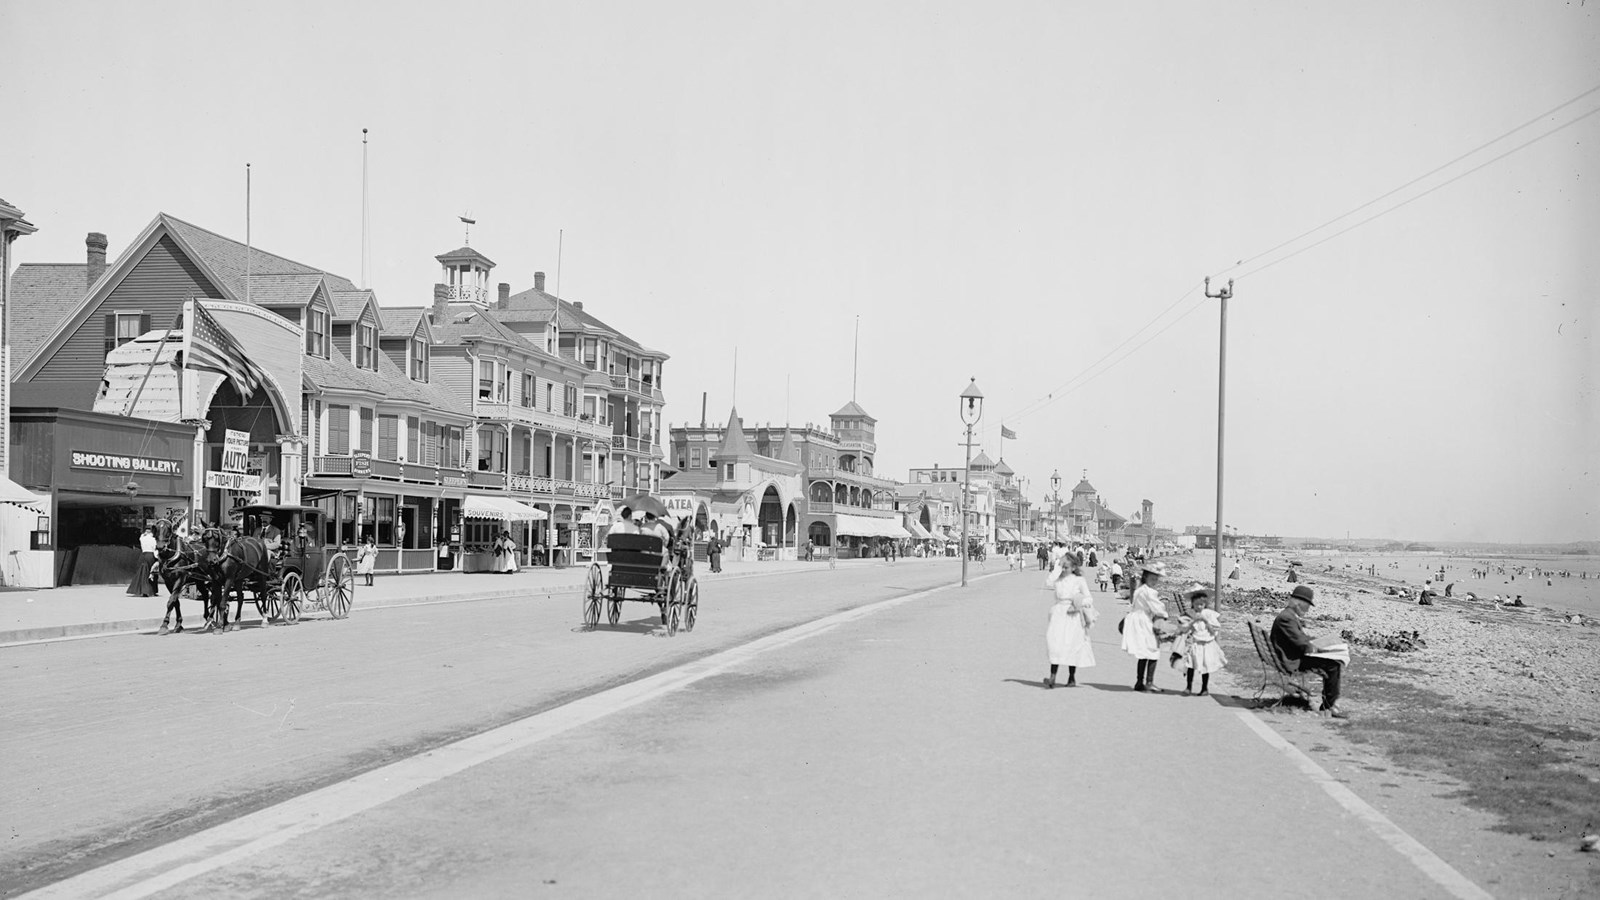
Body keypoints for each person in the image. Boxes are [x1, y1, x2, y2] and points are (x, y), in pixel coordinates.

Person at [1270, 585, 1348, 718]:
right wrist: (1318, 648)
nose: (1308, 609)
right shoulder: (1287, 618)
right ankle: (1330, 706)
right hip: (1291, 661)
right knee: (1334, 664)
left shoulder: (1287, 615)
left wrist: (1315, 645)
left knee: (1333, 662)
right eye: (1307, 605)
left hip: (1290, 656)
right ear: (1299, 604)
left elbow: (1298, 640)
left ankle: (1330, 704)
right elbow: (1302, 644)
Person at [1043, 551, 1097, 688]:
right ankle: (1052, 677)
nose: (1064, 569)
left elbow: (1089, 598)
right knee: (1054, 643)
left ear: (1073, 567)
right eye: (1062, 566)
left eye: (1066, 567)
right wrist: (1057, 568)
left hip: (1073, 614)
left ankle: (1071, 677)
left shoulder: (1079, 580)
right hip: (1058, 613)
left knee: (1072, 644)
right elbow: (1048, 582)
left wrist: (1079, 603)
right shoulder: (1058, 579)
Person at [1122, 561, 1170, 692]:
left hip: (1137, 620)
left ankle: (1139, 682)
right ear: (1145, 577)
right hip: (1144, 621)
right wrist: (1164, 613)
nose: (1154, 581)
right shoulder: (1149, 592)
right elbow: (1157, 608)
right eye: (1152, 578)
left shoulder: (1140, 589)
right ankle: (1149, 682)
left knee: (1143, 653)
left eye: (1156, 579)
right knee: (1153, 651)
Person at [1180, 585, 1227, 696]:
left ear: (1205, 604)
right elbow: (1186, 628)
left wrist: (1206, 621)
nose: (1199, 607)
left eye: (1201, 605)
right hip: (1195, 642)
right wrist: (1192, 622)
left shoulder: (1209, 614)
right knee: (1191, 664)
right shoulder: (1191, 614)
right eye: (1196, 605)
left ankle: (1204, 688)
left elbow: (1213, 631)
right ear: (1193, 604)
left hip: (1206, 643)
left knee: (1206, 666)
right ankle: (1188, 686)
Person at [127, 526, 160, 597]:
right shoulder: (153, 540)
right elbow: (155, 549)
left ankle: (142, 589)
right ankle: (152, 590)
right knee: (152, 572)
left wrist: (144, 534)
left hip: (143, 555)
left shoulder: (142, 538)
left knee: (142, 572)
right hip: (151, 555)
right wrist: (157, 558)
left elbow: (141, 536)